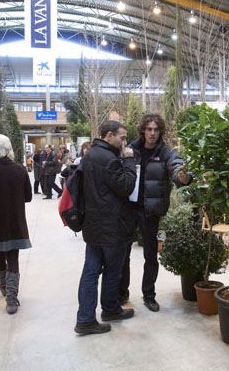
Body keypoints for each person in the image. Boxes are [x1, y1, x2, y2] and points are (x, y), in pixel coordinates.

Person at [119, 114, 191, 312]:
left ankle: (149, 295)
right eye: (149, 129)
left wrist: (182, 176)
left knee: (150, 255)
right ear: (143, 130)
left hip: (150, 211)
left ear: (160, 132)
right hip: (129, 208)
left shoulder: (166, 153)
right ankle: (121, 292)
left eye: (156, 130)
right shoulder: (130, 150)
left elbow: (177, 168)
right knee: (123, 253)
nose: (152, 133)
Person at [75, 121, 137, 336]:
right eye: (122, 137)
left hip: (92, 225)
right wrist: (129, 162)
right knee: (112, 271)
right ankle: (110, 310)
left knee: (90, 272)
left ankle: (85, 318)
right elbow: (125, 186)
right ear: (109, 135)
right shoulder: (108, 158)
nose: (124, 142)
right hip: (111, 226)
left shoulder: (90, 154)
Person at [0, 135, 32, 315]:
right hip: (15, 220)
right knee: (13, 257)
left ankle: (4, 288)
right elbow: (27, 196)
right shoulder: (20, 169)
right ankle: (11, 298)